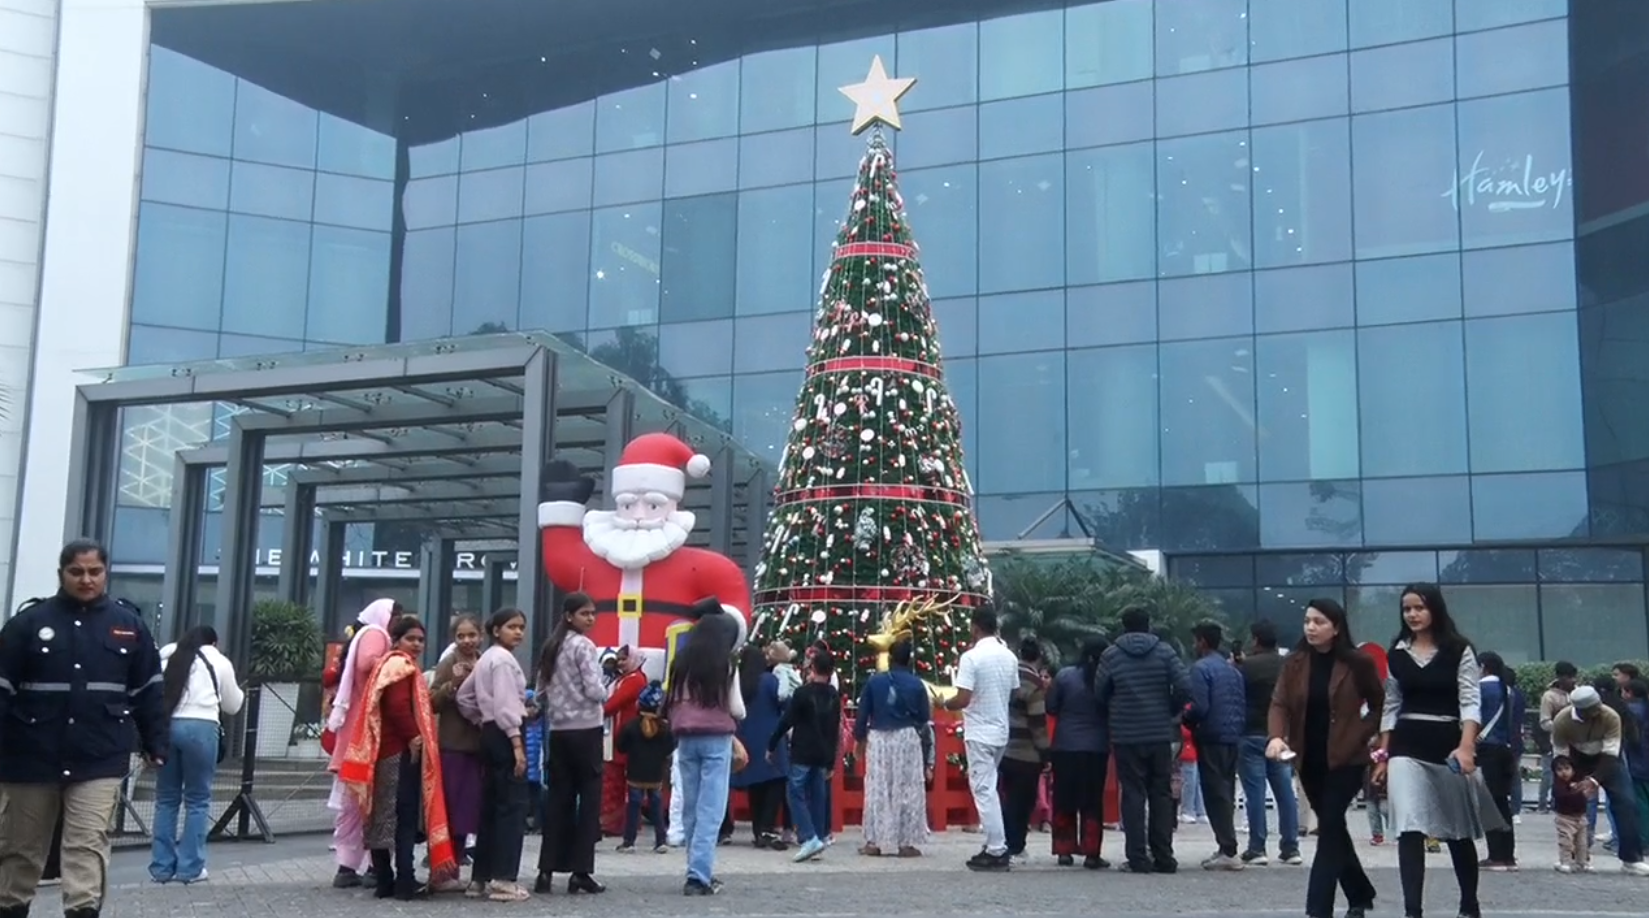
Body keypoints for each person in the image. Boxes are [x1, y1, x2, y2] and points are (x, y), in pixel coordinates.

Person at [0, 539, 168, 918]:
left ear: (106, 573)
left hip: (99, 757)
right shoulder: (28, 624)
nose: (87, 579)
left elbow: (148, 691)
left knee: (87, 845)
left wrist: (156, 741)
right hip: (29, 758)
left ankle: (83, 910)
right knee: (20, 849)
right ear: (61, 574)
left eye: (95, 571)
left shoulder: (129, 628)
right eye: (77, 572)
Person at [1374, 583, 1502, 918]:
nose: (1413, 614)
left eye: (1419, 607)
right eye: (1407, 609)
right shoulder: (1397, 653)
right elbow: (1391, 704)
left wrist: (1466, 746)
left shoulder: (1458, 649)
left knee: (1457, 829)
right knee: (1410, 826)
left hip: (1448, 743)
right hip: (1406, 744)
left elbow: (1470, 702)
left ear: (1435, 609)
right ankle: (1412, 911)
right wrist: (1383, 755)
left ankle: (1469, 904)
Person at [1266, 598, 1384, 918]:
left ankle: (1318, 910)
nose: (1311, 627)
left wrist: (1362, 733)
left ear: (1336, 627)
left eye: (1319, 621)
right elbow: (1279, 704)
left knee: (1329, 827)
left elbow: (1378, 704)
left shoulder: (1358, 663)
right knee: (1334, 830)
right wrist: (1276, 736)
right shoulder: (1294, 663)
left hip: (1347, 759)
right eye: (1307, 621)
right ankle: (1360, 893)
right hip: (1309, 759)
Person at [337, 616, 458, 901]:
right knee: (402, 819)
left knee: (380, 818)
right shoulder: (400, 666)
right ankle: (404, 880)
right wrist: (414, 737)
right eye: (410, 639)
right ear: (396, 640)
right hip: (399, 752)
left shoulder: (386, 665)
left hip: (382, 752)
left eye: (420, 640)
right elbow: (398, 706)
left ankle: (384, 881)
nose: (416, 645)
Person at [1094, 604, 1192, 875]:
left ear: (1123, 626)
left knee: (1133, 794)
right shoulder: (1165, 652)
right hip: (1160, 732)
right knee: (1160, 793)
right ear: (1149, 625)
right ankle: (1164, 857)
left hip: (1125, 734)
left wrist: (1115, 708)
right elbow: (1184, 686)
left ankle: (1137, 857)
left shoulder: (1111, 655)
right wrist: (1170, 710)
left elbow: (1100, 691)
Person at [149, 625, 245, 884]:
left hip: (167, 728)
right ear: (213, 642)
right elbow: (233, 705)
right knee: (198, 800)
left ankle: (161, 868)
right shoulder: (218, 660)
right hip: (202, 728)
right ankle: (190, 869)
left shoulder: (168, 655)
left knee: (166, 800)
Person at [666, 606, 746, 895]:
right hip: (716, 739)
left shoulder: (680, 662)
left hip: (685, 738)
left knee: (691, 806)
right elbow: (736, 707)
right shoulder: (725, 663)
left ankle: (694, 867)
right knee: (710, 809)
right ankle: (699, 876)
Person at [534, 592, 609, 895]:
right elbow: (594, 689)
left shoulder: (552, 646)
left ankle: (545, 871)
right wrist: (606, 688)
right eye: (584, 613)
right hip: (586, 729)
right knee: (588, 801)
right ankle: (581, 870)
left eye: (592, 613)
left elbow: (539, 690)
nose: (590, 618)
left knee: (558, 802)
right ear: (569, 615)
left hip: (559, 731)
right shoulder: (584, 646)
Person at [457, 608, 533, 902]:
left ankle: (480, 878)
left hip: (489, 732)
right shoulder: (503, 660)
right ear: (496, 630)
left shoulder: (486, 658)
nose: (518, 632)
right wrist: (516, 743)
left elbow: (464, 697)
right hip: (505, 733)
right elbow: (505, 705)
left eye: (521, 627)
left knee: (490, 807)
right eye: (512, 626)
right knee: (511, 808)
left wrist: (481, 718)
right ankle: (504, 880)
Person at [325, 598, 400, 888]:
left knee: (355, 802)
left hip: (357, 730)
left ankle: (349, 864)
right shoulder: (376, 636)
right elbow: (369, 663)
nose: (396, 623)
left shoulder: (363, 635)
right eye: (395, 616)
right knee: (371, 801)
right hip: (368, 731)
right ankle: (369, 864)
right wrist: (395, 662)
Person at [942, 607, 1019, 872]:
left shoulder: (971, 657)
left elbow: (963, 698)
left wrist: (944, 702)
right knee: (991, 787)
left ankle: (997, 847)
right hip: (1000, 729)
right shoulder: (1009, 657)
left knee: (984, 790)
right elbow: (1014, 691)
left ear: (975, 627)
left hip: (979, 731)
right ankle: (995, 844)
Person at [1550, 684, 1648, 874]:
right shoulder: (1562, 721)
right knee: (1573, 807)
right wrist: (1566, 778)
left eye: (1598, 707)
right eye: (1592, 710)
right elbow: (1560, 753)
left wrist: (1594, 780)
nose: (1598, 712)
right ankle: (1572, 857)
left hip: (1608, 761)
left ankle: (1631, 859)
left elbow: (1611, 753)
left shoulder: (1610, 715)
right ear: (1580, 710)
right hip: (1576, 759)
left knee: (1627, 803)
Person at [854, 638, 933, 857]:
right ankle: (905, 842)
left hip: (879, 738)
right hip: (906, 738)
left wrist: (859, 739)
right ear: (909, 659)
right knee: (906, 787)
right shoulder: (917, 684)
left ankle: (874, 841)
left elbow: (863, 714)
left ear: (889, 657)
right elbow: (923, 718)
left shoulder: (874, 682)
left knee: (878, 787)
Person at [1236, 620, 1301, 865]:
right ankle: (1291, 846)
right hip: (1280, 735)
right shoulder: (1288, 666)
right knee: (1284, 791)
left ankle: (1257, 847)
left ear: (1255, 639)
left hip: (1251, 733)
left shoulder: (1246, 667)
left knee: (1255, 794)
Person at [771, 648, 841, 862]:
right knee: (818, 796)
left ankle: (809, 836)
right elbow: (834, 729)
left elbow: (787, 720)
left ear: (813, 668)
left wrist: (772, 742)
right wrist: (831, 760)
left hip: (803, 750)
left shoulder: (803, 693)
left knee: (795, 793)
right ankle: (818, 836)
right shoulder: (834, 696)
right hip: (823, 753)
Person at [1046, 636, 1109, 869]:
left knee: (1064, 798)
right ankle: (1092, 852)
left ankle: (1064, 850)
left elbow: (1051, 706)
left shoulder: (1065, 676)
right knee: (1092, 801)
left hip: (1065, 746)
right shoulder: (1106, 680)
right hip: (1097, 747)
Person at [1186, 621, 1245, 870]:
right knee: (1227, 790)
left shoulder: (1200, 669)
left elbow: (1200, 706)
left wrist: (1186, 721)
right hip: (1233, 736)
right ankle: (1226, 846)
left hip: (1211, 736)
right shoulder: (1233, 671)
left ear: (1202, 641)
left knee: (1215, 794)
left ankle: (1228, 848)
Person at [429, 614, 484, 861]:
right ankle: (443, 859)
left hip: (478, 743)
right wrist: (452, 685)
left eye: (471, 635)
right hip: (453, 743)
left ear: (480, 636)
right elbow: (432, 701)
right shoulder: (449, 662)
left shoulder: (484, 661)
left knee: (468, 807)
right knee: (452, 805)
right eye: (461, 636)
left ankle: (460, 855)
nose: (467, 641)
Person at [732, 642, 789, 849]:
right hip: (771, 738)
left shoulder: (739, 683)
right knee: (775, 783)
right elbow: (785, 702)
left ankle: (758, 830)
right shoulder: (769, 680)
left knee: (755, 786)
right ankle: (767, 828)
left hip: (747, 739)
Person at [1000, 638, 1050, 862]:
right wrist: (1045, 752)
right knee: (1023, 801)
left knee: (1006, 797)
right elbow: (1037, 722)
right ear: (1038, 657)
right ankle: (1016, 845)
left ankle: (1002, 841)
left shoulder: (1005, 676)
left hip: (1003, 746)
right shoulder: (1034, 682)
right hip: (1027, 752)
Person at [616, 682, 674, 853]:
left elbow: (621, 746)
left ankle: (629, 842)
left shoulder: (631, 727)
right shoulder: (664, 728)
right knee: (656, 805)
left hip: (635, 772)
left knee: (634, 806)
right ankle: (660, 840)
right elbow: (670, 747)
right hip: (655, 774)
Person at [1475, 651, 1520, 869]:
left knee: (1489, 803)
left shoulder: (1481, 689)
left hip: (1487, 749)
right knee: (1503, 803)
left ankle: (1496, 855)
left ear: (1482, 666)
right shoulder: (1510, 691)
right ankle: (1508, 855)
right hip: (1506, 750)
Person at [601, 648, 649, 838]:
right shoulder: (623, 678)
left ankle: (617, 825)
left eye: (624, 659)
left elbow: (613, 704)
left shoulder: (635, 680)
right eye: (618, 659)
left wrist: (594, 712)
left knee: (618, 781)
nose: (620, 663)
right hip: (617, 735)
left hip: (624, 738)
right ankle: (619, 823)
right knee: (616, 780)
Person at [1538, 661, 1579, 814]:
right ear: (1561, 678)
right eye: (1570, 677)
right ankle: (1559, 806)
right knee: (1559, 776)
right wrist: (1562, 726)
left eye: (1574, 677)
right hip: (1560, 744)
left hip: (1579, 743)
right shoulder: (1549, 697)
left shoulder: (1578, 693)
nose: (1573, 681)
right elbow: (1544, 722)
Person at [1550, 755, 1596, 872]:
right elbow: (1562, 796)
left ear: (1573, 769)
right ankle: (1565, 862)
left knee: (1582, 843)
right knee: (1566, 841)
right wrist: (1578, 793)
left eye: (1566, 768)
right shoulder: (1558, 785)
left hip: (1580, 817)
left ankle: (1582, 862)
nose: (1564, 772)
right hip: (1564, 818)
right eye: (1559, 770)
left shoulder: (1579, 781)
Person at [1624, 678, 1649, 852]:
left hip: (1637, 763)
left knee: (1640, 804)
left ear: (1629, 693)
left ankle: (1643, 839)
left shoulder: (1631, 712)